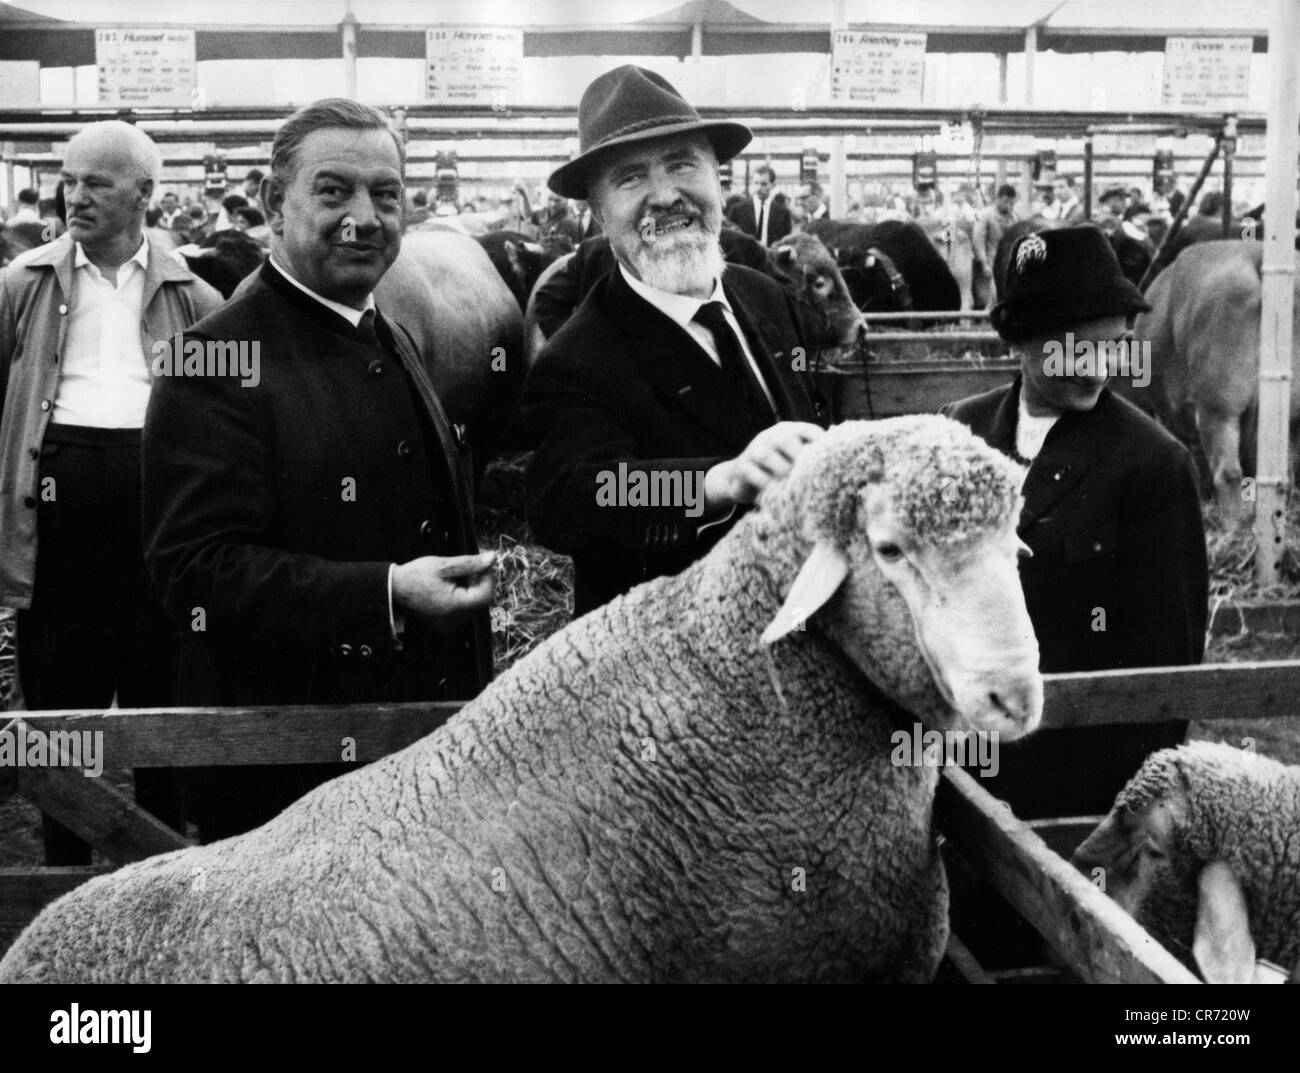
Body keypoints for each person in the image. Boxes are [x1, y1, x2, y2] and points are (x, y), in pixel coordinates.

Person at [142, 98, 496, 841]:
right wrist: (387, 592)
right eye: (333, 191)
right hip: (287, 788)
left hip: (419, 765)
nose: (364, 217)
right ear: (275, 202)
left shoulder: (391, 332)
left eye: (386, 193)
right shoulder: (212, 359)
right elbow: (198, 574)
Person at [524, 66, 824, 616]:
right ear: (597, 212)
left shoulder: (765, 299)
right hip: (671, 662)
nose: (665, 197)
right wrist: (716, 482)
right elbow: (580, 496)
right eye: (630, 178)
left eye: (683, 164)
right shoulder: (577, 359)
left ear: (717, 178)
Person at [0, 121, 222, 863]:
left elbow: (229, 401)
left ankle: (161, 856)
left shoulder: (196, 294)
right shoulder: (21, 284)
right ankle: (64, 858)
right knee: (63, 695)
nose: (74, 196)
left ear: (144, 195)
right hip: (55, 519)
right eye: (69, 180)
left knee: (161, 683)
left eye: (95, 182)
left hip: (156, 517)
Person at [942, 226, 1207, 819]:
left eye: (1112, 347)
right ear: (1022, 337)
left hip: (1076, 791)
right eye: (1073, 350)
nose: (1097, 369)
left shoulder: (1153, 465)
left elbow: (1168, 675)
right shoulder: (960, 432)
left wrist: (1112, 815)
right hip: (961, 771)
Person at [971, 183, 1020, 305]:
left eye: (1011, 203)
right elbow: (978, 240)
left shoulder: (1015, 217)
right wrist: (983, 263)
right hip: (991, 261)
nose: (1008, 205)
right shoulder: (985, 215)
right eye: (1005, 201)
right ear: (997, 199)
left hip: (1011, 263)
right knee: (993, 294)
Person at [727, 163, 791, 246]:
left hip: (771, 256)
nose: (758, 188)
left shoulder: (783, 213)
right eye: (756, 183)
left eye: (763, 184)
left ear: (773, 185)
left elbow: (786, 242)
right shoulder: (737, 210)